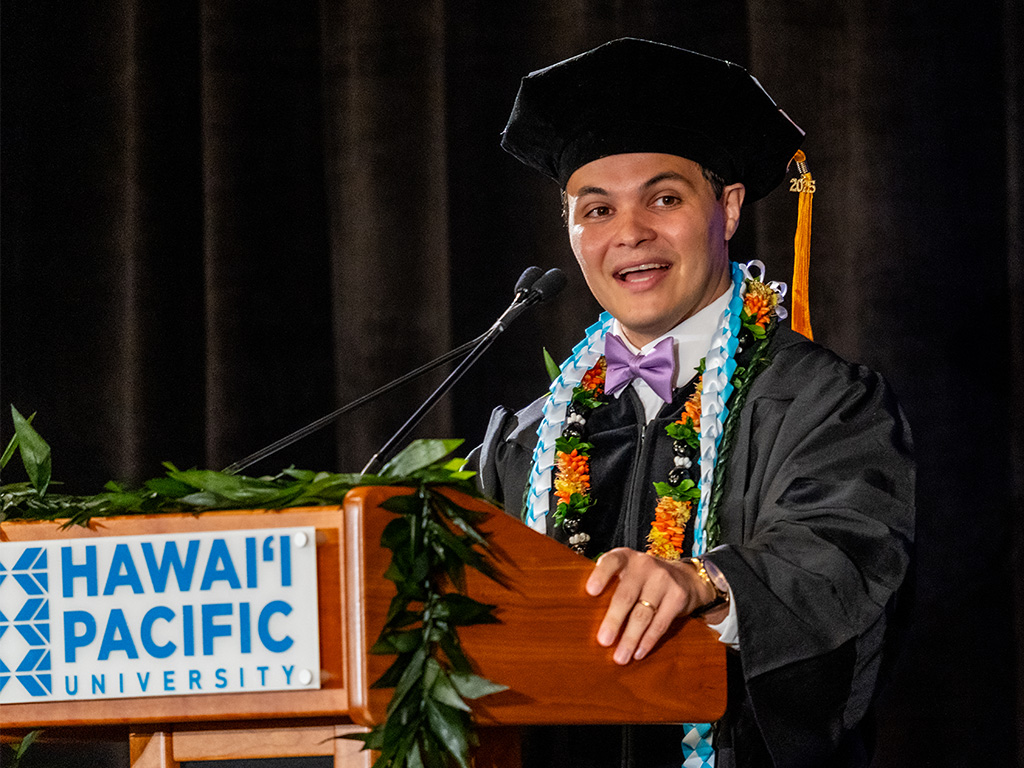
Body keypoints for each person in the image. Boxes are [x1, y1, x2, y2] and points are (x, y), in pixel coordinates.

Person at [472, 39, 915, 768]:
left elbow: (845, 563)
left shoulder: (820, 404)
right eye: (597, 209)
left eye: (665, 197)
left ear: (730, 207)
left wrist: (707, 580)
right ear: (571, 232)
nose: (630, 232)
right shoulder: (527, 441)